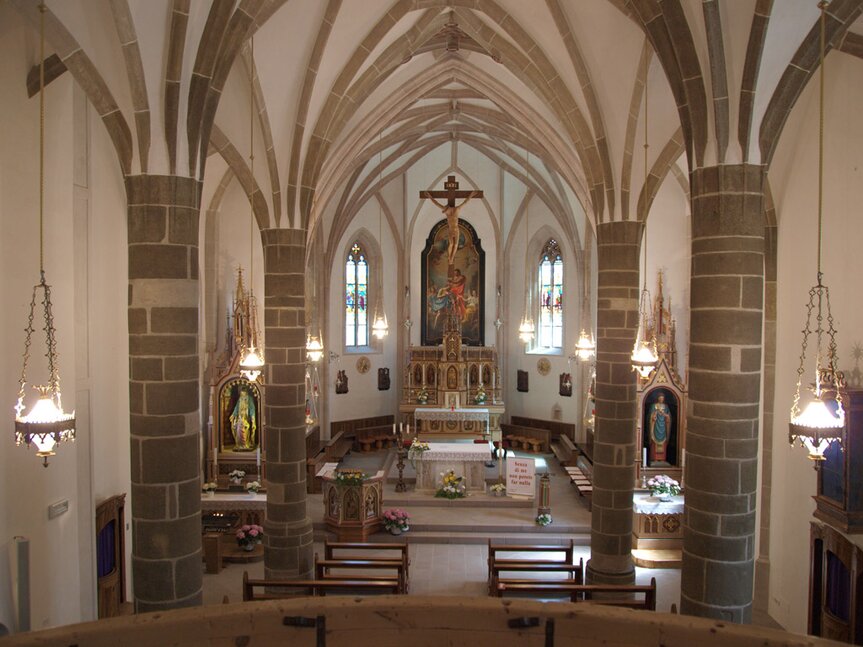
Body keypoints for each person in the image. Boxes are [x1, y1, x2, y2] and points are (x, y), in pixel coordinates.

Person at [428, 191, 479, 266]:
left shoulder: (457, 209)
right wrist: (429, 196)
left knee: (455, 244)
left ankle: (451, 258)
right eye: (445, 211)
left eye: (445, 210)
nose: (445, 212)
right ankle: (450, 257)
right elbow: (436, 203)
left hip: (456, 230)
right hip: (451, 230)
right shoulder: (448, 211)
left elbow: (465, 202)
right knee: (451, 244)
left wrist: (471, 195)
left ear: (447, 207)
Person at [230, 386, 257, 450]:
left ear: (246, 393)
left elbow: (252, 409)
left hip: (246, 418)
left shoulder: (249, 399)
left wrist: (253, 418)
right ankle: (239, 444)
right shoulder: (240, 399)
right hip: (239, 417)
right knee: (237, 429)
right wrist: (233, 415)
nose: (242, 397)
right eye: (241, 395)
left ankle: (245, 444)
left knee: (245, 430)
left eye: (244, 395)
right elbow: (236, 408)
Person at [648, 393, 671, 464]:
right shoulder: (654, 406)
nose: (661, 399)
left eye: (662, 398)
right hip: (655, 425)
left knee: (663, 441)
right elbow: (650, 415)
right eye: (660, 398)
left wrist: (667, 416)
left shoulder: (666, 406)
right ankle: (654, 458)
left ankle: (662, 459)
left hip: (663, 426)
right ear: (658, 398)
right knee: (654, 441)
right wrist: (653, 416)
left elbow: (669, 416)